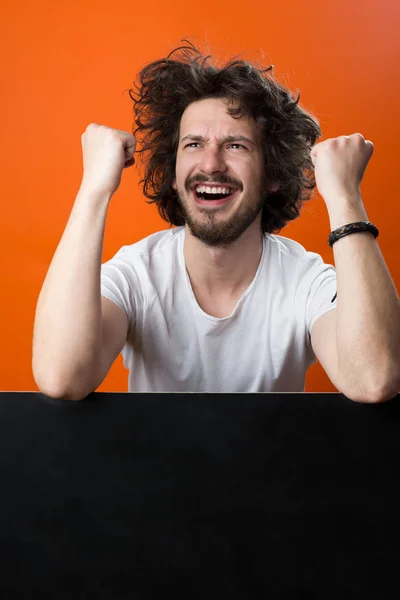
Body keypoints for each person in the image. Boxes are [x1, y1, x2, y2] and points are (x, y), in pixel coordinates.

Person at [32, 41, 340, 400]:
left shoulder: (305, 279)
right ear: (173, 172)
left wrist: (345, 198)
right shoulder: (137, 274)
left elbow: (374, 376)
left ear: (273, 172)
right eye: (193, 144)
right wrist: (94, 189)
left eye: (236, 145)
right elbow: (62, 376)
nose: (210, 164)